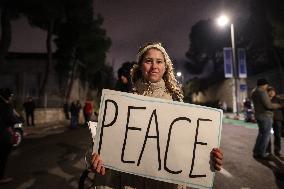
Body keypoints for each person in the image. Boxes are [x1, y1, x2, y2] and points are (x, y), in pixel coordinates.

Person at [90, 42, 223, 189]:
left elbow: (188, 148)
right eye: (148, 61)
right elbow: (107, 143)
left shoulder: (178, 104)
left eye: (159, 62)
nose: (154, 66)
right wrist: (96, 156)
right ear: (140, 66)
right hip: (129, 184)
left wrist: (208, 159)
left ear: (165, 67)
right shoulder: (122, 103)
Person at [251, 78, 284, 160]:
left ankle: (256, 151)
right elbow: (268, 105)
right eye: (266, 85)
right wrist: (280, 106)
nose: (267, 87)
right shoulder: (262, 92)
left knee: (261, 134)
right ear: (263, 84)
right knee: (266, 135)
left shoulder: (254, 92)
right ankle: (262, 153)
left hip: (258, 116)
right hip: (265, 116)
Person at [0, 88, 19, 184]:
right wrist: (19, 122)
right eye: (11, 95)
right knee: (2, 157)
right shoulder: (6, 106)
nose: (11, 97)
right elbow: (12, 121)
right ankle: (1, 178)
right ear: (7, 96)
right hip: (3, 135)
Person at [266, 86, 283, 157]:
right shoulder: (265, 99)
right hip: (268, 119)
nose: (272, 92)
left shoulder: (278, 98)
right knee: (267, 136)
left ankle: (277, 151)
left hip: (277, 119)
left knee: (277, 135)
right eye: (270, 91)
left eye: (273, 91)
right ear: (267, 92)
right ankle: (268, 151)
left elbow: (282, 105)